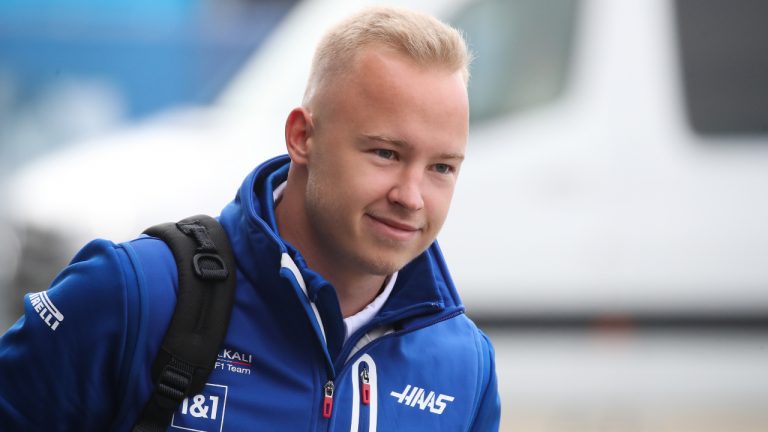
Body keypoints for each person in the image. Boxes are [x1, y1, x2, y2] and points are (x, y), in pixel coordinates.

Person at [0, 6, 500, 431]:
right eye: (386, 153)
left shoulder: (465, 367)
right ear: (303, 137)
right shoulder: (134, 294)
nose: (412, 196)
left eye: (441, 167)